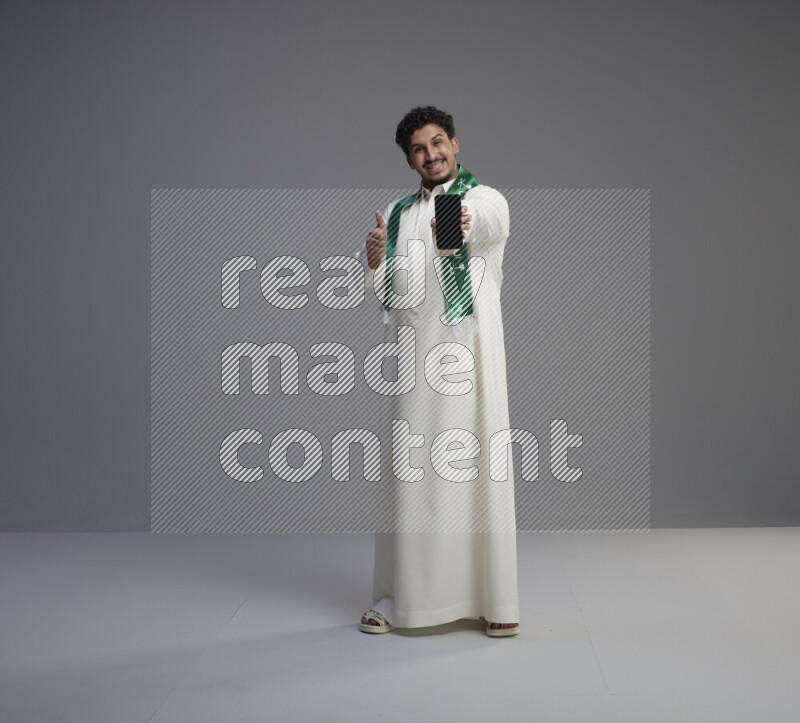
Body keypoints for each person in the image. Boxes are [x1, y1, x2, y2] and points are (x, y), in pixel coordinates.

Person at [359, 106, 520, 637]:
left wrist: (463, 220)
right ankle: (399, 596)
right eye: (419, 150)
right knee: (410, 478)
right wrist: (377, 261)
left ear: (455, 142)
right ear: (409, 159)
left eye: (437, 143)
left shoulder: (483, 197)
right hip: (413, 363)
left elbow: (492, 222)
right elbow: (391, 298)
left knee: (471, 474)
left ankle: (491, 600)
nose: (431, 155)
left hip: (469, 360)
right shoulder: (399, 211)